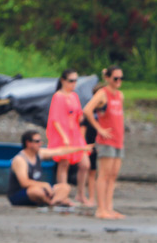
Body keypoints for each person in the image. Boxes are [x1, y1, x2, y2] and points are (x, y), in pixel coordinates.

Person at [7, 130, 92, 207]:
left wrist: (82, 148)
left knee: (65, 187)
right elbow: (24, 182)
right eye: (37, 141)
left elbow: (60, 151)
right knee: (37, 191)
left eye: (40, 141)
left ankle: (52, 203)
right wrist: (44, 185)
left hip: (38, 189)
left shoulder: (39, 153)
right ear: (28, 143)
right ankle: (52, 202)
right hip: (19, 194)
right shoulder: (20, 160)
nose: (40, 143)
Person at [83, 66, 125, 219]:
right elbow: (87, 110)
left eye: (121, 78)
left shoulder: (120, 95)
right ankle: (100, 209)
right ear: (108, 79)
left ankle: (109, 208)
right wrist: (99, 129)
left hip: (118, 140)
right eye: (115, 78)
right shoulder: (102, 94)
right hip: (106, 141)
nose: (119, 81)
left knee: (113, 175)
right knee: (104, 175)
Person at [46, 69, 92, 206]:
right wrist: (64, 136)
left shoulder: (74, 96)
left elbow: (78, 115)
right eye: (71, 81)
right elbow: (55, 118)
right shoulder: (58, 96)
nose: (73, 84)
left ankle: (80, 194)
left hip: (75, 133)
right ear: (63, 81)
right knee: (64, 164)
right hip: (63, 134)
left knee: (85, 164)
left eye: (75, 81)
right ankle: (62, 195)